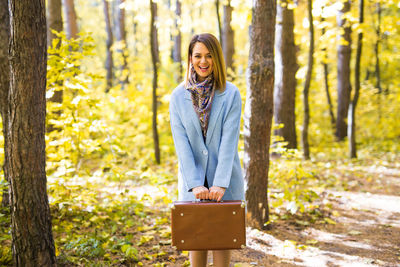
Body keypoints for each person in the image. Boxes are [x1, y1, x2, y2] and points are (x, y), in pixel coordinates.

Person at [169, 33, 245, 267]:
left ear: (217, 58)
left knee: (222, 244)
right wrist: (195, 184)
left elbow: (229, 142)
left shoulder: (230, 93)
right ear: (190, 59)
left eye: (209, 56)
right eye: (198, 55)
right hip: (194, 184)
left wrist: (220, 183)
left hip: (225, 182)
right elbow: (181, 145)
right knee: (196, 243)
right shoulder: (177, 97)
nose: (203, 61)